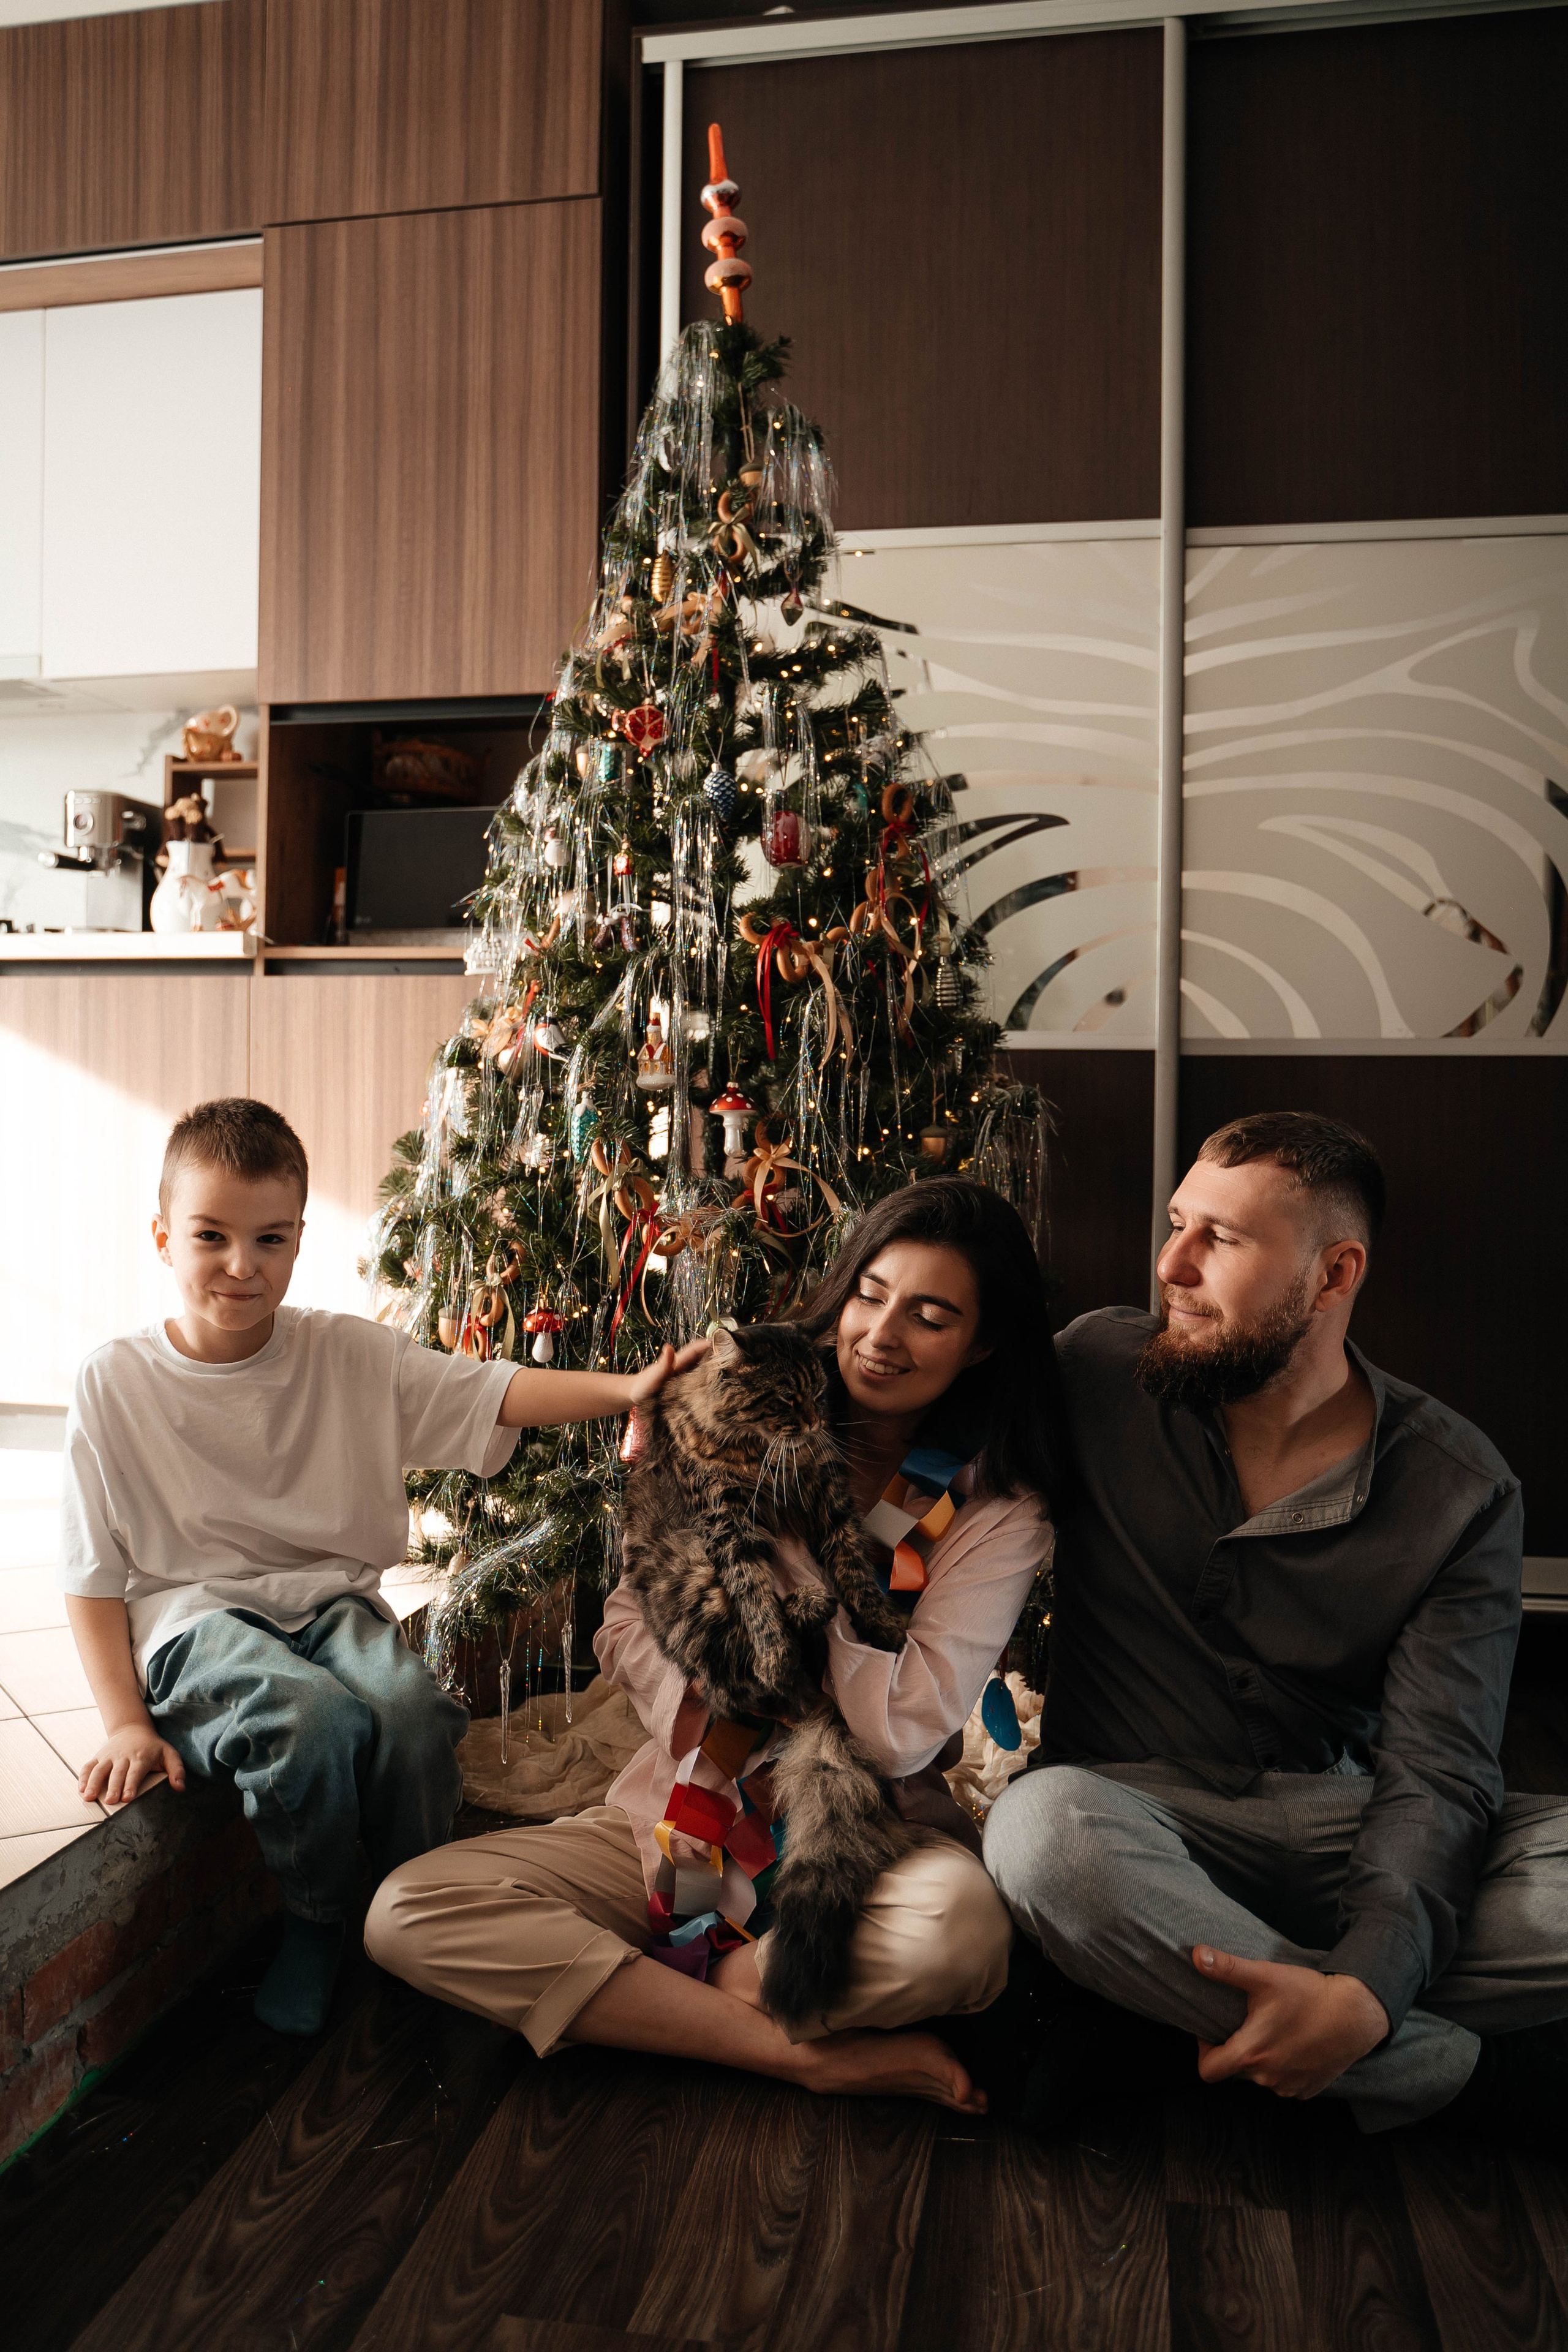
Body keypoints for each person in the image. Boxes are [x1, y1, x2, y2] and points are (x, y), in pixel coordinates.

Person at [366, 1177, 1066, 2112]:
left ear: (981, 1344)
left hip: (862, 1843)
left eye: (930, 1317)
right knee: (409, 1913)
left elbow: (902, 1732)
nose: (881, 1335)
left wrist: (791, 1585)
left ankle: (668, 1998)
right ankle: (788, 2048)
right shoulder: (733, 1410)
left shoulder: (994, 1512)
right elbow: (625, 1617)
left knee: (962, 1934)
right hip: (677, 1823)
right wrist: (713, 1697)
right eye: (870, 1294)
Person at [984, 1110, 1568, 2154]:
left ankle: (1159, 2009)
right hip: (1127, 1820)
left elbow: (1439, 1774)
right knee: (1039, 1834)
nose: (1172, 1264)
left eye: (1222, 1240)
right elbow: (900, 1421)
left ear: (1334, 1274)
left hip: (1349, 1823)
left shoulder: (1460, 1487)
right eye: (1177, 1225)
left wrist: (1370, 1982)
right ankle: (1444, 2071)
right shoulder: (1091, 1371)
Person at [60, 1096, 701, 2037]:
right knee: (309, 1720)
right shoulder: (113, 1381)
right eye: (212, 1237)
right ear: (164, 1237)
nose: (243, 1266)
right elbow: (89, 1569)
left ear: (299, 1240)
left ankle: (417, 1908)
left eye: (270, 1239)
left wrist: (625, 1390)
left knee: (409, 1715)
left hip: (330, 1606)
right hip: (193, 1622)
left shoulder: (343, 1353)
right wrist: (123, 1720)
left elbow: (495, 1391)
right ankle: (319, 1922)